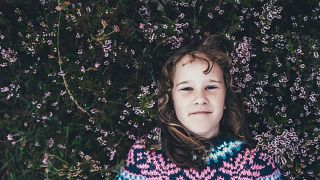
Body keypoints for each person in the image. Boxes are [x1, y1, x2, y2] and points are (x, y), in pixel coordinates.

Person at [115, 34, 281, 179]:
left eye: (211, 87)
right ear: (171, 99)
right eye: (187, 88)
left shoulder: (256, 166)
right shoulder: (146, 159)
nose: (200, 98)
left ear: (226, 98)